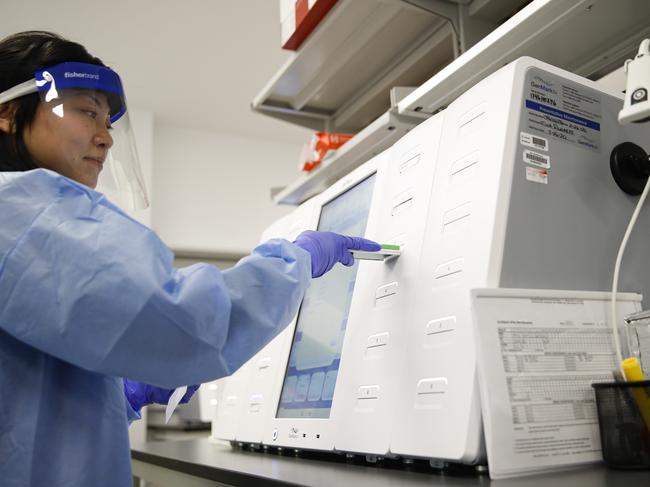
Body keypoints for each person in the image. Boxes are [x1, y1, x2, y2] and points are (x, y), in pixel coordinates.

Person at [0, 31, 380, 487]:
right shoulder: (27, 211)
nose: (106, 138)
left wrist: (120, 395)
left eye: (108, 121)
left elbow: (28, 400)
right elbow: (190, 320)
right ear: (8, 113)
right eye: (86, 112)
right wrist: (295, 260)